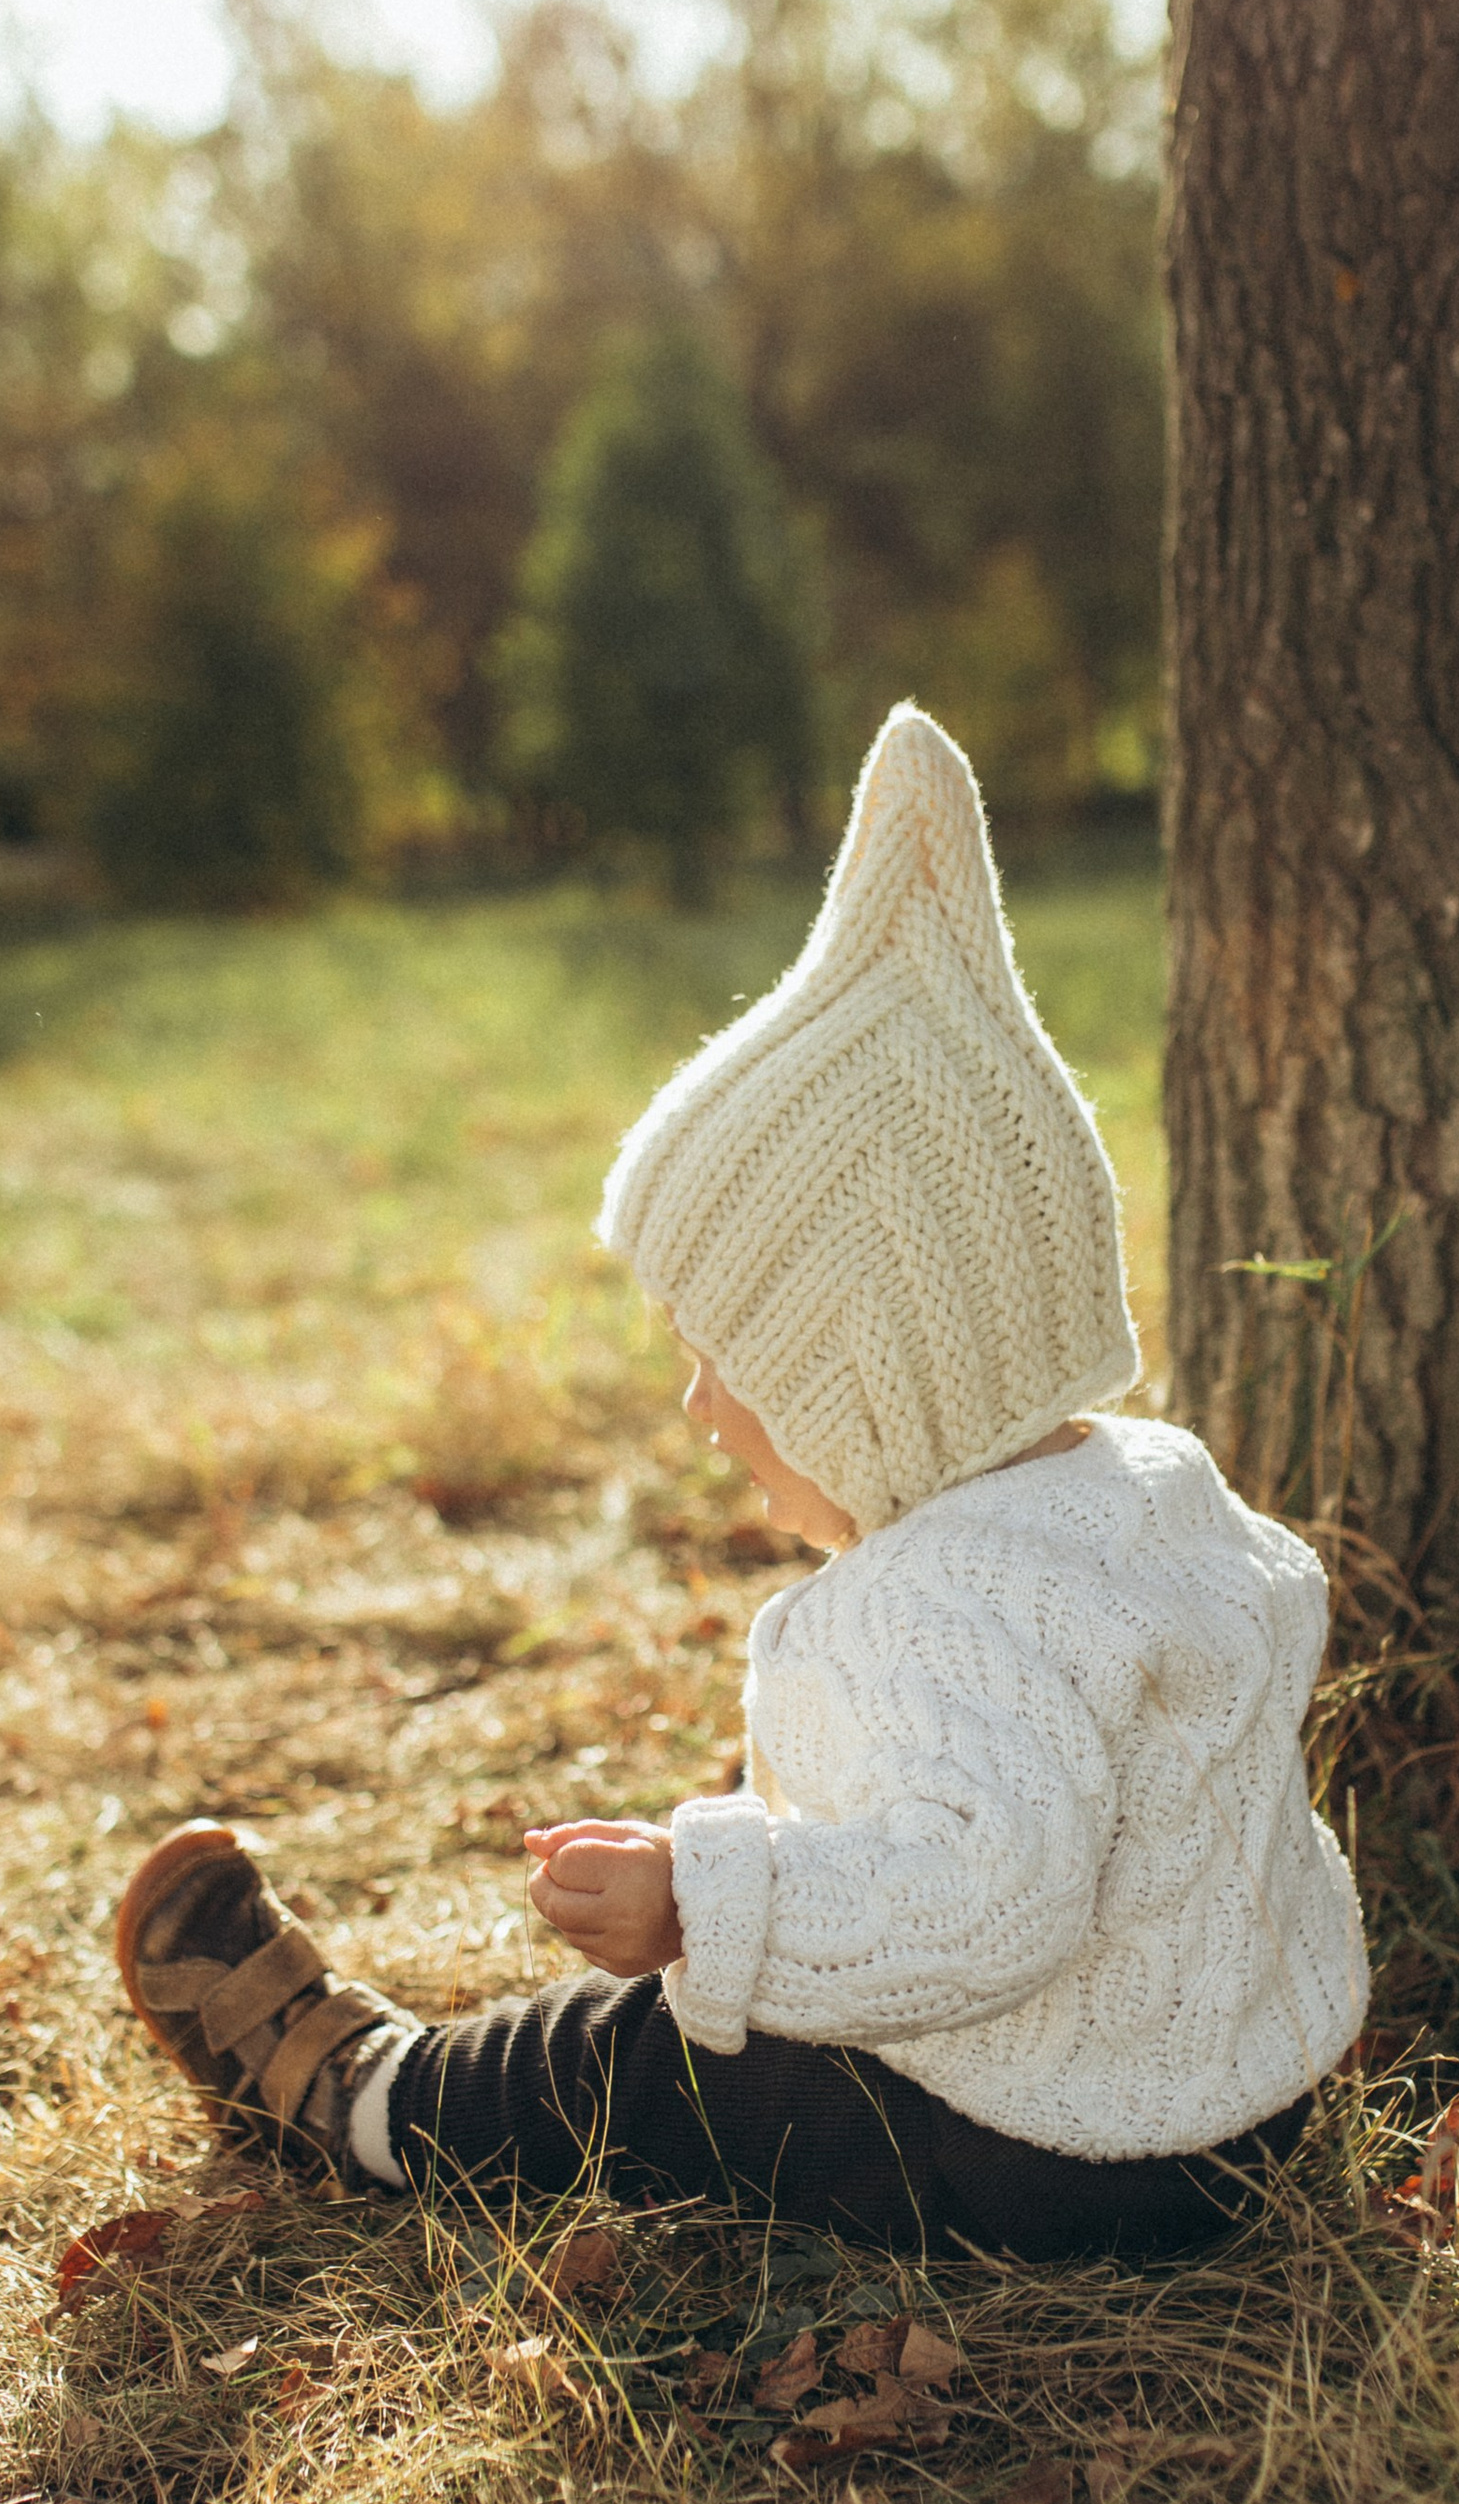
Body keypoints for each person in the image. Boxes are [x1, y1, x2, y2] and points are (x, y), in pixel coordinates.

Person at [112, 706, 1368, 2256]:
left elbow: (990, 1896)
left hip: (1063, 2152)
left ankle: (357, 2098)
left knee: (645, 2060)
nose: (700, 1406)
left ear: (873, 1391)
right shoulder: (1146, 1491)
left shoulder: (941, 1603)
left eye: (731, 1367)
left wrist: (704, 1907)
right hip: (1241, 2100)